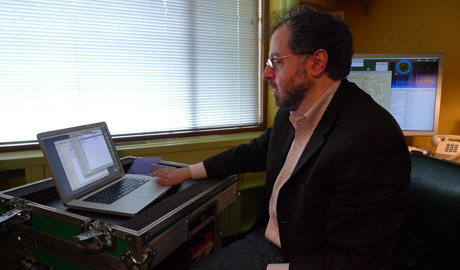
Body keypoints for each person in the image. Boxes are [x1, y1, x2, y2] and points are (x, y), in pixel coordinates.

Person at [151, 2, 411, 269]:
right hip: (265, 242)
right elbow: (254, 152)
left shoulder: (370, 137)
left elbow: (363, 260)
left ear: (317, 63)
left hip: (301, 260)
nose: (266, 73)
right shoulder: (293, 113)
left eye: (276, 61)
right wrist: (189, 172)